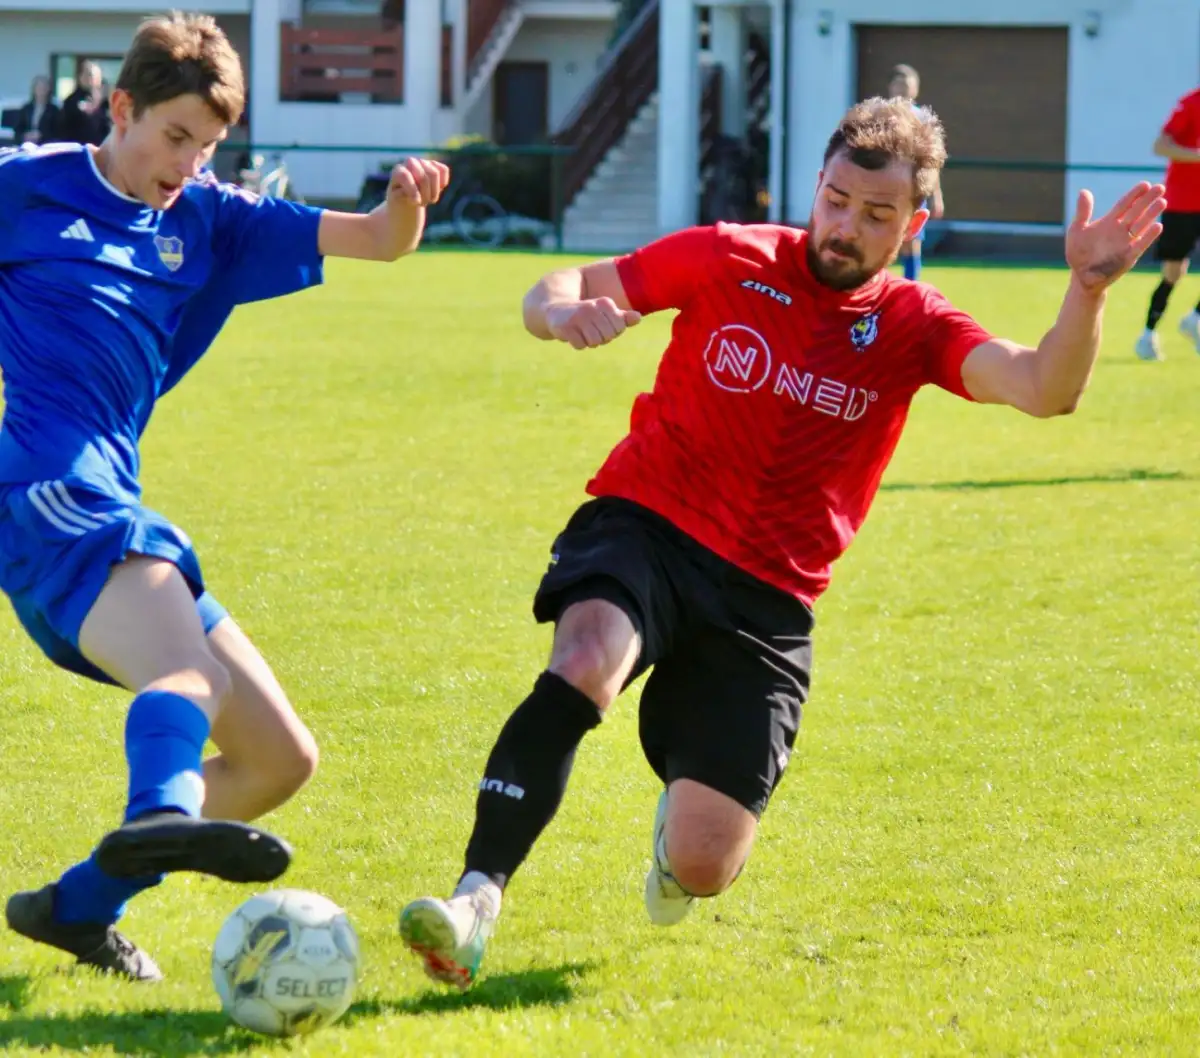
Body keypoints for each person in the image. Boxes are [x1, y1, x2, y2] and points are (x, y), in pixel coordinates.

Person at [397, 96, 1165, 991]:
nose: (845, 226)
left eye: (876, 215)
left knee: (705, 865)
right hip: (651, 522)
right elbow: (557, 286)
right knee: (586, 656)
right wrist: (561, 317)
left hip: (768, 594)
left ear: (913, 222)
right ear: (818, 185)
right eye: (836, 199)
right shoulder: (732, 253)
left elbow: (1043, 388)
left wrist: (1088, 290)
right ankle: (475, 901)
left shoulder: (915, 324)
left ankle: (679, 837)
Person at [0, 12, 449, 980]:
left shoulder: (208, 216)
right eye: (174, 138)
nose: (188, 163)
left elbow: (376, 238)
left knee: (279, 757)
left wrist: (405, 208)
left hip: (109, 502)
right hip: (47, 496)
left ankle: (78, 906)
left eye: (206, 147)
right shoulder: (26, 187)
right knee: (190, 681)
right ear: (119, 108)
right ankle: (158, 813)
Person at [1135, 85, 1200, 361]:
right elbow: (1160, 145)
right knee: (1174, 272)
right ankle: (1148, 335)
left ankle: (1194, 318)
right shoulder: (1192, 103)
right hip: (1183, 203)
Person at [887, 63, 943, 280]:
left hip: (913, 186)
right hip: (886, 186)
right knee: (888, 239)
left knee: (913, 241)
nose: (902, 91)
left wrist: (936, 194)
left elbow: (931, 159)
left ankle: (912, 288)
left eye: (907, 86)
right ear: (891, 88)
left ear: (915, 90)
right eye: (898, 85)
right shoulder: (882, 115)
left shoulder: (922, 118)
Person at [56, 60, 110, 146]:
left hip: (101, 149)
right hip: (79, 149)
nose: (93, 79)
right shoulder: (71, 101)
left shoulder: (105, 101)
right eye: (90, 75)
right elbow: (64, 129)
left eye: (97, 76)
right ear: (81, 77)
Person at [11, 75, 59, 146]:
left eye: (44, 88)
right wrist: (25, 136)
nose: (41, 90)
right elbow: (18, 129)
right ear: (34, 89)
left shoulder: (54, 110)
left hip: (45, 147)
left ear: (48, 89)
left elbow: (57, 132)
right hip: (27, 147)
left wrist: (41, 135)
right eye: (39, 87)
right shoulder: (26, 108)